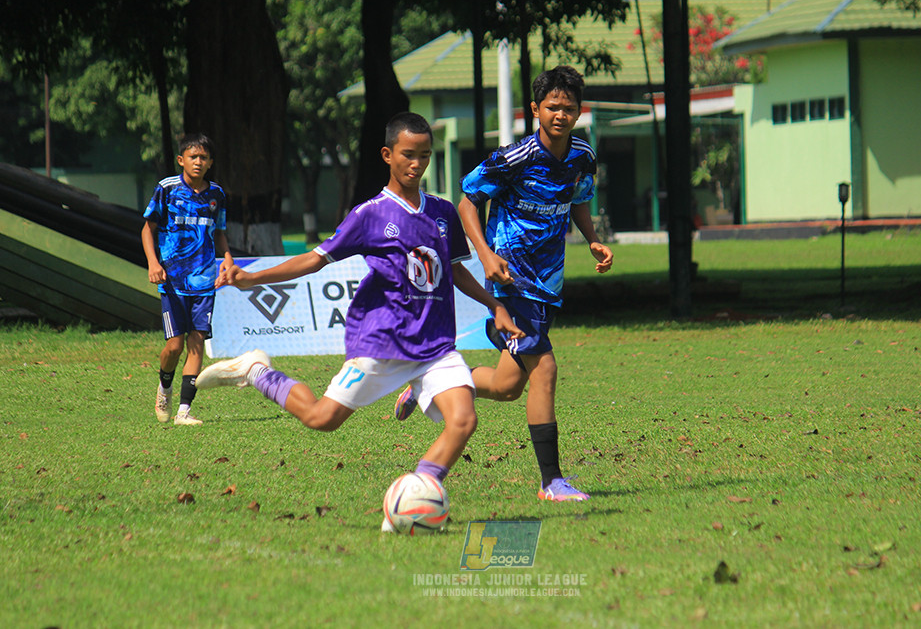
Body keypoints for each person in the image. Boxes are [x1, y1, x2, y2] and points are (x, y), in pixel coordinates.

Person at [195, 112, 523, 529]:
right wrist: (251, 278)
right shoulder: (369, 214)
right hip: (382, 343)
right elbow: (315, 259)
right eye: (407, 154)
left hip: (435, 347)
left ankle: (413, 501)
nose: (416, 164)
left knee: (463, 421)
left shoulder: (442, 212)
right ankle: (256, 370)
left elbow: (455, 269)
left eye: (424, 155)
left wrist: (494, 304)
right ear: (387, 155)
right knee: (320, 419)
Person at [398, 65, 613, 502]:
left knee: (508, 386)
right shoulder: (514, 158)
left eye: (569, 108)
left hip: (547, 280)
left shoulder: (582, 157)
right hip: (512, 280)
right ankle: (551, 481)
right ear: (536, 109)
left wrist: (592, 240)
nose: (561, 115)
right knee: (546, 369)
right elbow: (468, 201)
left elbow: (580, 201)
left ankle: (428, 381)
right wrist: (485, 255)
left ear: (578, 112)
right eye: (553, 107)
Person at [142, 133, 233, 426]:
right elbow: (148, 228)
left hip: (205, 280)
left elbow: (218, 231)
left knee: (196, 343)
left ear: (210, 163)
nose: (198, 161)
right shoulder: (166, 189)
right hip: (172, 279)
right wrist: (153, 263)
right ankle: (164, 388)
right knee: (174, 346)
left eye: (203, 157)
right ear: (182, 160)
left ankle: (184, 411)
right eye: (193, 156)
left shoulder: (216, 194)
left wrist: (227, 257)